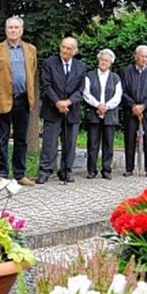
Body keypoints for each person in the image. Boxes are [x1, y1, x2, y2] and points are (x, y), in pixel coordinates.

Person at [0, 17, 38, 186]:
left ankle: (20, 174)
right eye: (10, 28)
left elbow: (32, 71)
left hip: (22, 99)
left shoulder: (30, 49)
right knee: (1, 139)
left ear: (21, 30)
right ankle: (1, 174)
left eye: (16, 27)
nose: (13, 30)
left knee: (21, 139)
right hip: (3, 99)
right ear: (6, 30)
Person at [36, 37, 86, 184]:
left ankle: (66, 171)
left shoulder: (81, 66)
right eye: (63, 47)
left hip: (72, 109)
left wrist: (68, 102)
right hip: (52, 108)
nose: (64, 50)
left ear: (74, 51)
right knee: (49, 143)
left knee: (70, 143)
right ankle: (45, 171)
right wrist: (58, 102)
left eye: (68, 48)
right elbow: (47, 85)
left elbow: (81, 89)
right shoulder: (49, 63)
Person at [121, 45, 147, 178]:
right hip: (131, 111)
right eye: (142, 56)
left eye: (146, 57)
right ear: (135, 56)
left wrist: (144, 106)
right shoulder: (126, 71)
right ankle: (129, 168)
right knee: (129, 138)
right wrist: (133, 105)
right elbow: (121, 92)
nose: (144, 59)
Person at [83, 49, 123, 179]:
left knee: (108, 143)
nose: (103, 62)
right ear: (98, 60)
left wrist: (106, 106)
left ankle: (106, 170)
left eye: (106, 60)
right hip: (93, 113)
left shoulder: (116, 78)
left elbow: (118, 96)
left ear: (111, 63)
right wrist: (98, 105)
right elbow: (86, 93)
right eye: (101, 60)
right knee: (93, 143)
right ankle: (91, 170)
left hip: (110, 114)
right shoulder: (89, 76)